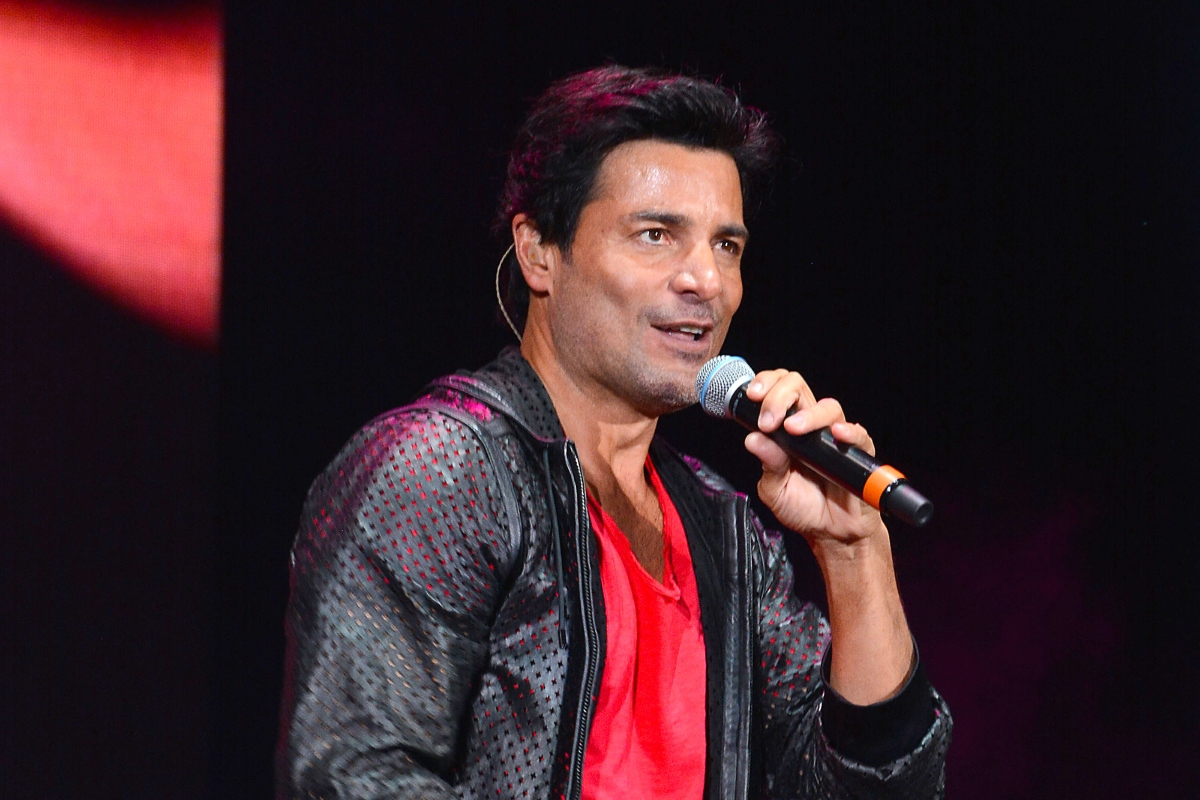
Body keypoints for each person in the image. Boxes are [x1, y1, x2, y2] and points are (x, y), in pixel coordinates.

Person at [277, 65, 952, 800]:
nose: (705, 280)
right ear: (539, 251)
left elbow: (880, 790)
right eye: (656, 235)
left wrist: (853, 552)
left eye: (726, 246)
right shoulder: (442, 473)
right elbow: (351, 776)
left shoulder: (726, 534)